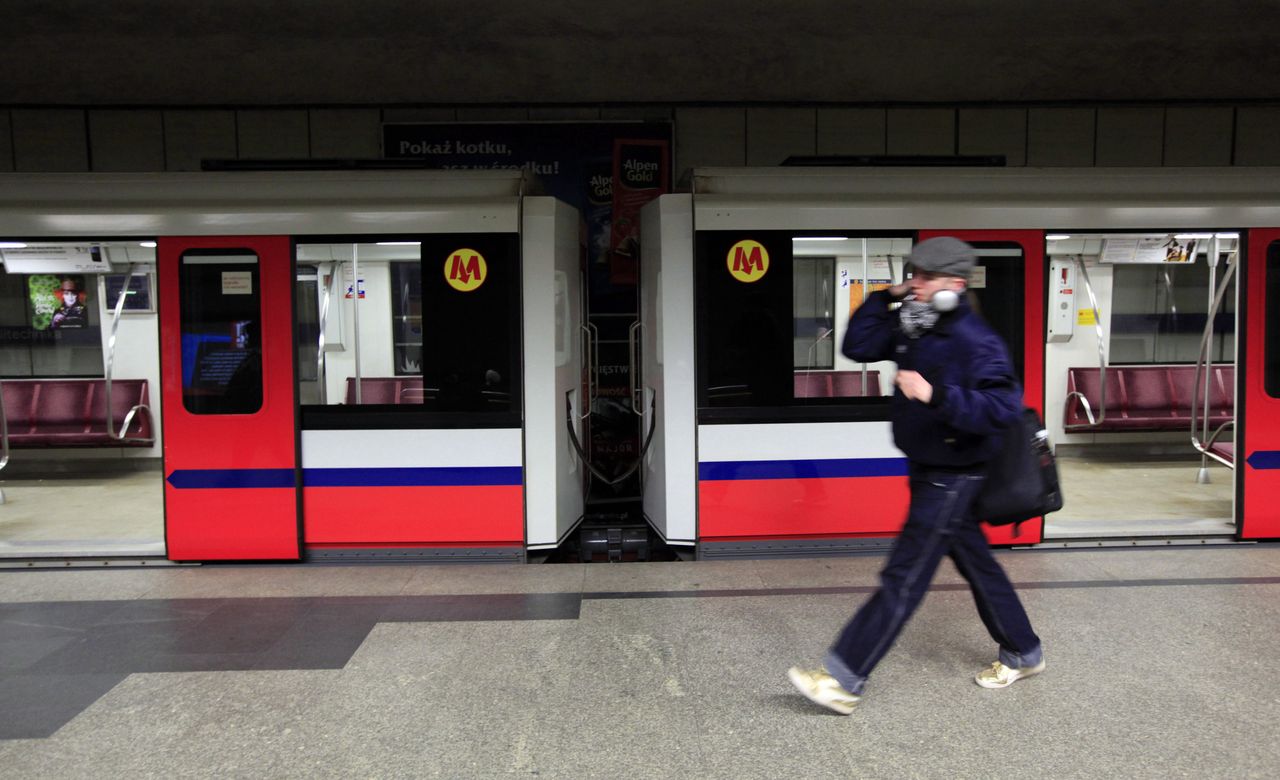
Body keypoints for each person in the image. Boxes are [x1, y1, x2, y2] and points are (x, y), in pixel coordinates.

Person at [787, 236, 1044, 715]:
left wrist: (934, 394)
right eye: (914, 275)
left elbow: (1003, 409)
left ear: (955, 284)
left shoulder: (975, 341)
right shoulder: (915, 323)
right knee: (979, 566)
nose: (916, 285)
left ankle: (843, 679)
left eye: (926, 279)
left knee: (904, 576)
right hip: (929, 464)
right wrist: (887, 297)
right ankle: (1024, 651)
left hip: (953, 473)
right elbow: (857, 345)